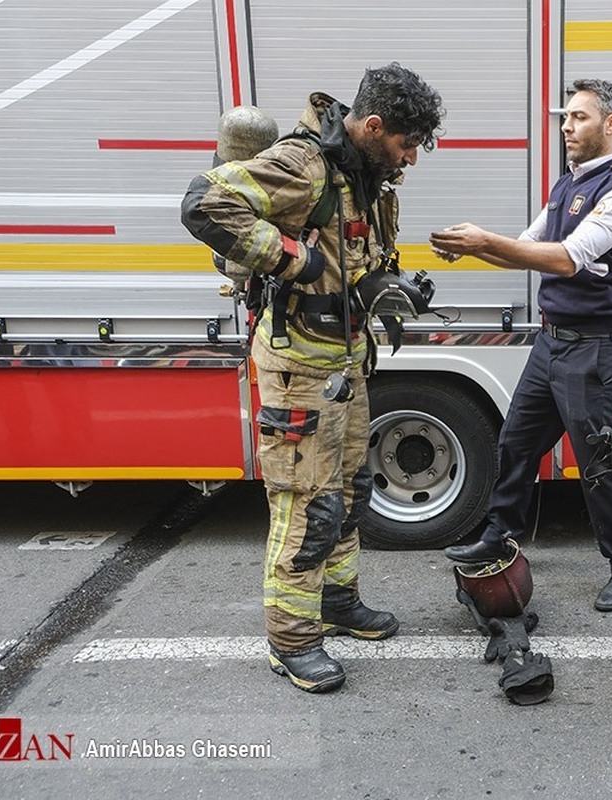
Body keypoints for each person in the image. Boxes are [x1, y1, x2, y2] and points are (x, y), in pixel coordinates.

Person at [181, 64, 444, 693]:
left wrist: (381, 286)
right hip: (299, 367)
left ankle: (337, 603)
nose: (411, 158)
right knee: (308, 504)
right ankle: (292, 640)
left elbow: (355, 257)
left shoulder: (369, 175)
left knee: (351, 491)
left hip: (345, 359)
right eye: (406, 144)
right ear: (373, 126)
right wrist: (294, 260)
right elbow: (204, 203)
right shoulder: (304, 166)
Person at [431, 78, 612, 612]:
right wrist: (475, 251)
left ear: (611, 123)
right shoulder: (565, 187)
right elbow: (528, 249)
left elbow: (568, 257)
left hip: (595, 350)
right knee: (516, 445)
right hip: (550, 344)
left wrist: (487, 241)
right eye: (566, 117)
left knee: (598, 463)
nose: (566, 126)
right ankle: (500, 535)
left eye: (579, 117)